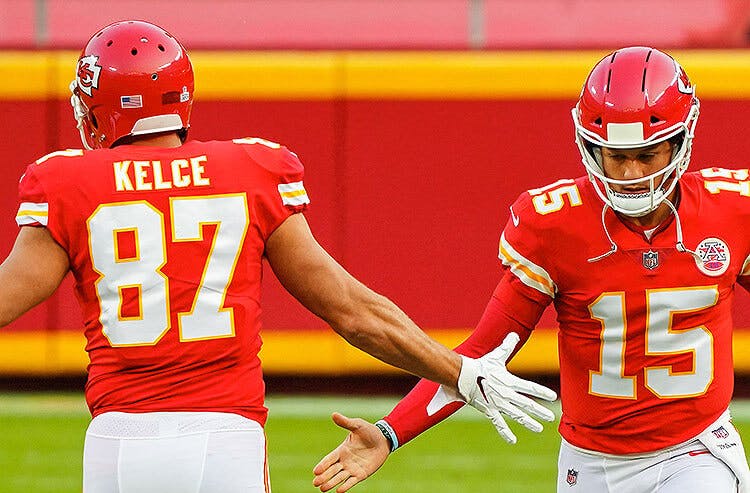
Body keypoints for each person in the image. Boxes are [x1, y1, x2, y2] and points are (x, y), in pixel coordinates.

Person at [0, 20, 558, 493]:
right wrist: (458, 371)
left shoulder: (66, 181)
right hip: (226, 439)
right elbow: (352, 311)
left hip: (119, 441)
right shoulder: (250, 172)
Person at [313, 46, 750, 493]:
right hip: (590, 464)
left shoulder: (732, 210)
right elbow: (480, 354)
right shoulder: (555, 225)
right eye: (616, 156)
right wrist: (390, 432)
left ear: (682, 142)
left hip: (696, 453)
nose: (631, 172)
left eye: (648, 153)